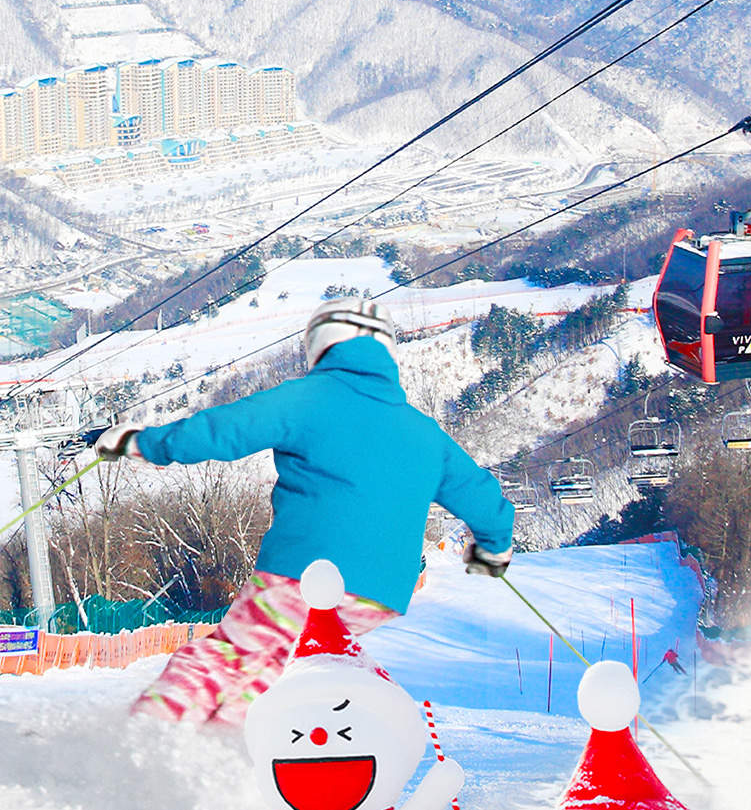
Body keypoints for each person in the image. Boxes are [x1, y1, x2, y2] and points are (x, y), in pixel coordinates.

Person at [93, 297, 516, 726]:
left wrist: (143, 443)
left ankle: (146, 738)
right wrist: (493, 550)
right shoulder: (425, 431)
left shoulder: (308, 399)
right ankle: (240, 749)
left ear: (318, 344)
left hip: (307, 576)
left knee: (228, 657)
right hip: (380, 593)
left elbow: (224, 430)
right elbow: (483, 498)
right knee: (278, 667)